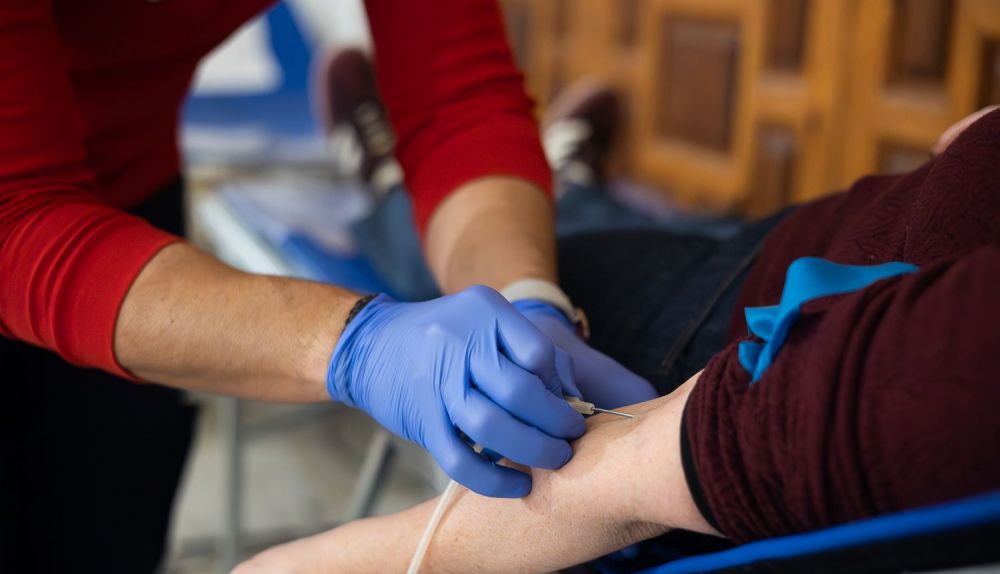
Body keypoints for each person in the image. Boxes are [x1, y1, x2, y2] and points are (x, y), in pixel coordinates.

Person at [0, 1, 656, 572]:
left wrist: (527, 294)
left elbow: (458, 100)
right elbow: (14, 221)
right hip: (25, 216)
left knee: (104, 521)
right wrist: (356, 345)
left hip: (125, 184)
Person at [233, 106, 1000, 573]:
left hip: (742, 342)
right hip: (837, 240)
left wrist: (379, 558)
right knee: (593, 245)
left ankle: (384, 185)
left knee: (536, 261)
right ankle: (567, 180)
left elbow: (909, 386)